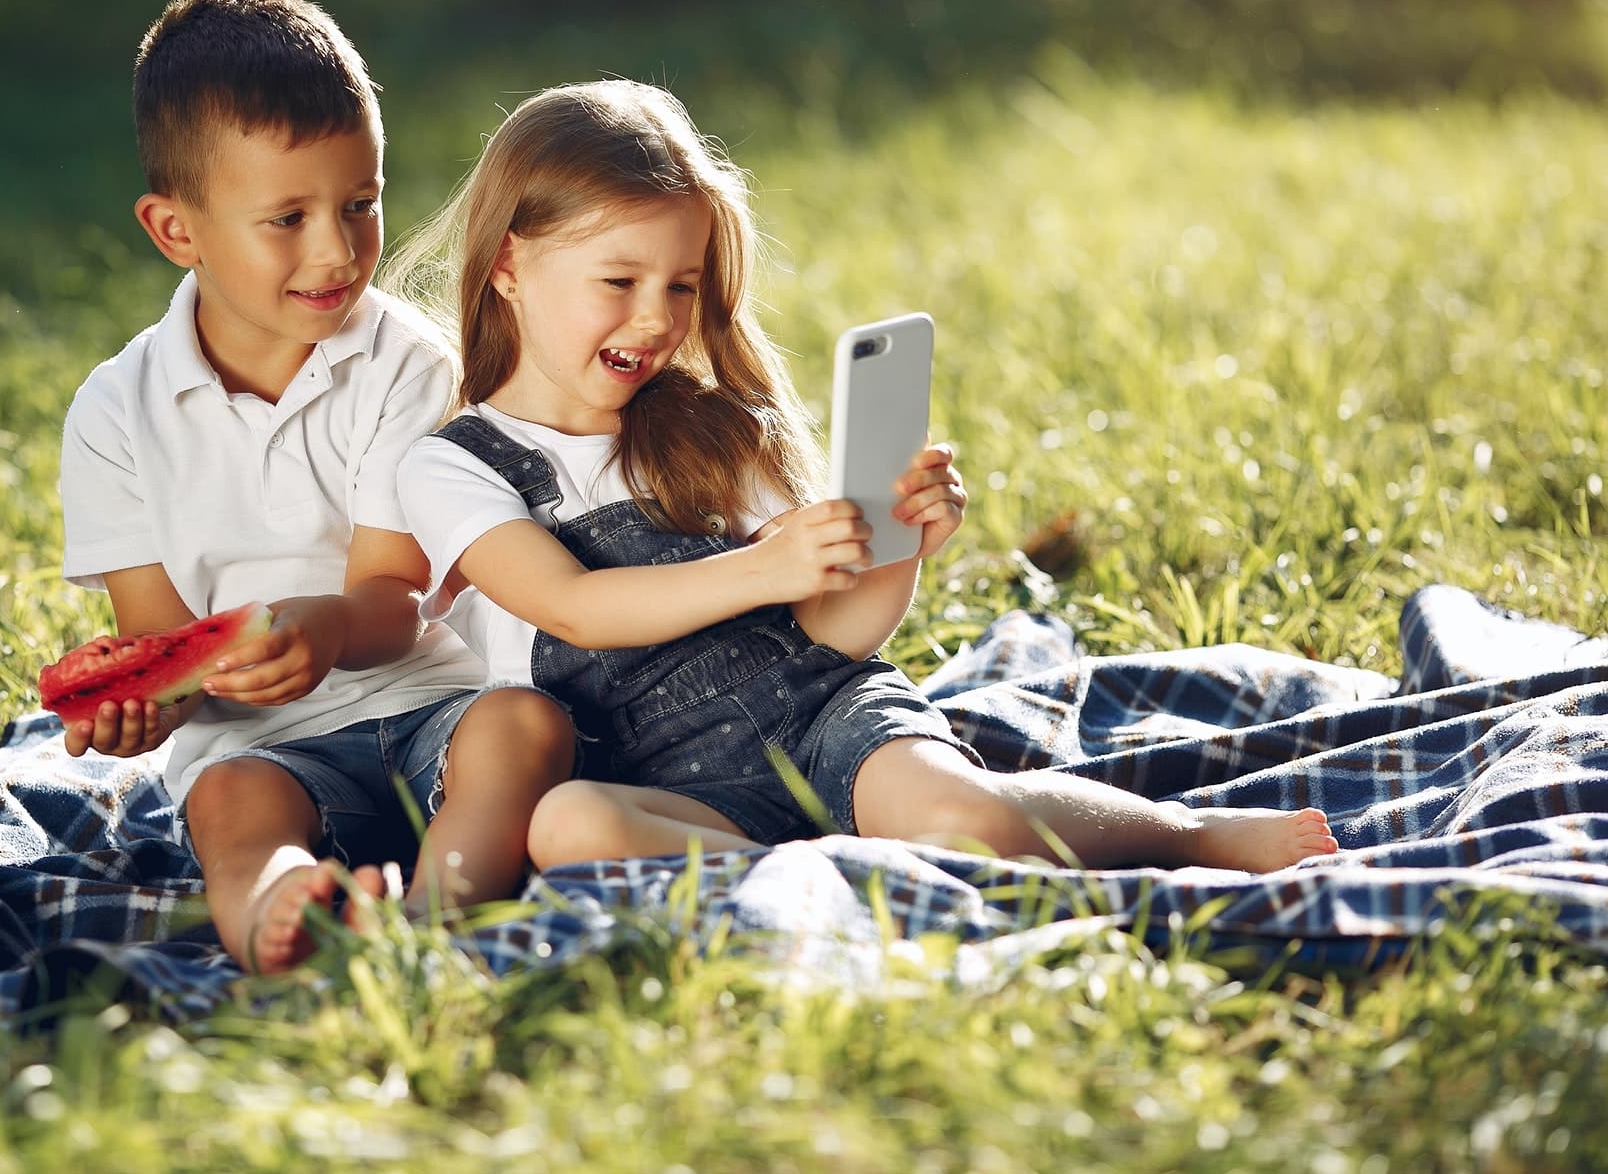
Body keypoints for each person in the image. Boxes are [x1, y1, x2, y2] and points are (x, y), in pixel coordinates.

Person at [392, 79, 1337, 873]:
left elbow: (831, 635)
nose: (655, 319)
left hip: (820, 715)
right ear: (510, 265)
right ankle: (834, 866)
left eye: (681, 285)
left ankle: (1192, 835)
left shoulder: (713, 430)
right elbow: (573, 608)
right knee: (567, 828)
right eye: (618, 281)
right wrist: (767, 567)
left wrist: (896, 551)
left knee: (976, 821)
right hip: (653, 779)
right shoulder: (453, 464)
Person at [57, 0, 575, 973]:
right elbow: (162, 651)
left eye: (359, 204)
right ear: (177, 231)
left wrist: (328, 622)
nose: (337, 250)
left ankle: (431, 925)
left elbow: (396, 595)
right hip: (256, 746)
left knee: (525, 722)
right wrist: (142, 706)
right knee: (226, 809)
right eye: (286, 218)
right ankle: (284, 912)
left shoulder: (408, 364)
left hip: (432, 702)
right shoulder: (114, 414)